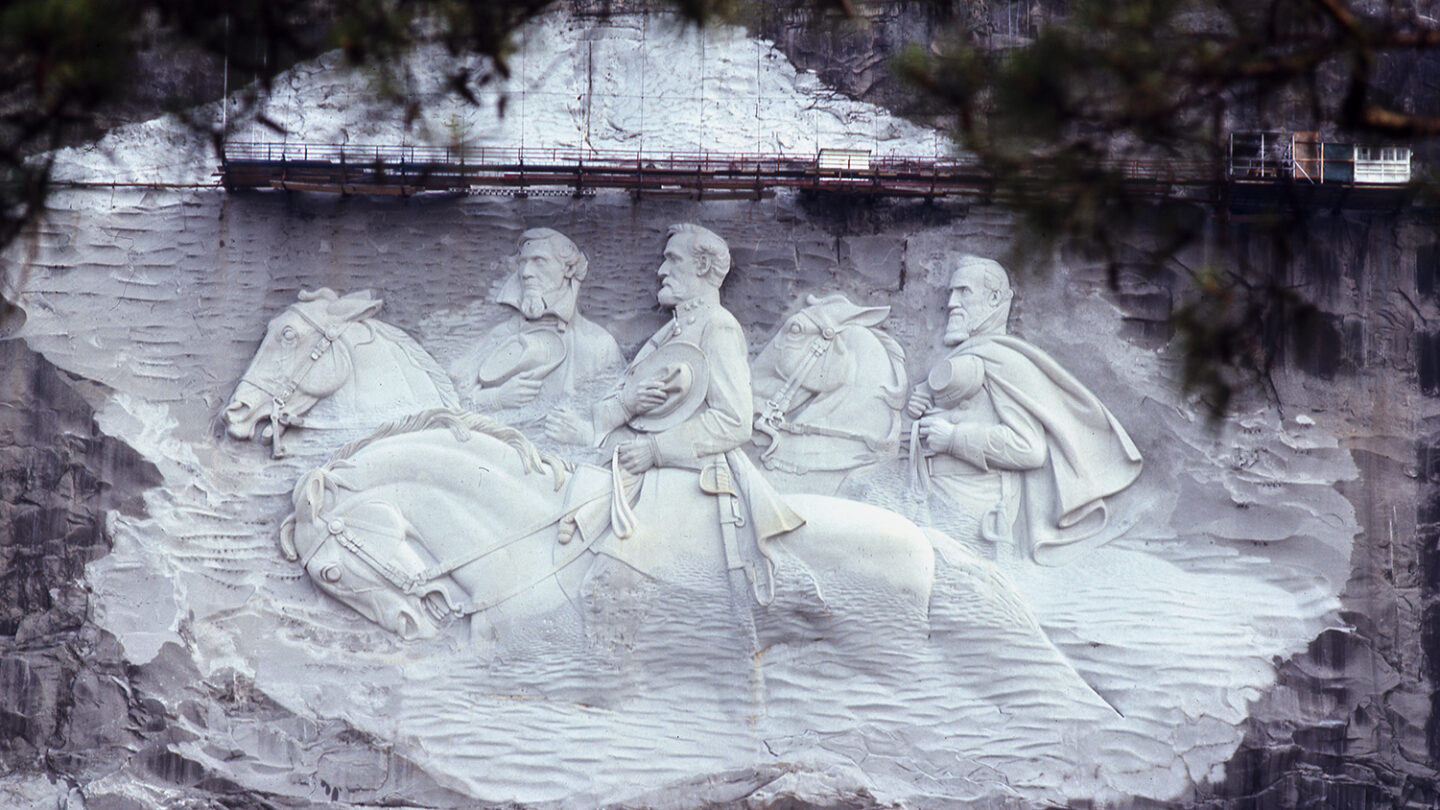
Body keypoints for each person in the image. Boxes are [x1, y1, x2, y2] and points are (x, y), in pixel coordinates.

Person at [545, 224, 802, 599]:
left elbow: (733, 420)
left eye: (672, 259)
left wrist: (656, 450)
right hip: (633, 467)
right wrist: (619, 410)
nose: (661, 271)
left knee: (616, 579)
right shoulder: (671, 331)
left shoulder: (718, 326)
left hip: (687, 477)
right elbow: (624, 398)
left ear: (702, 267)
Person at [908, 256, 1142, 566]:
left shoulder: (1007, 360)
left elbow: (1029, 449)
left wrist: (954, 438)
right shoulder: (970, 354)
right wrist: (921, 401)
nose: (951, 303)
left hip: (974, 514)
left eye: (964, 291)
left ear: (994, 298)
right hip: (934, 498)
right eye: (952, 292)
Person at [451, 228, 622, 413]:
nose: (526, 272)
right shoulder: (500, 335)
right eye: (522, 262)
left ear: (569, 268)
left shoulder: (599, 345)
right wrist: (496, 398)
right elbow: (453, 396)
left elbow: (617, 408)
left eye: (538, 261)